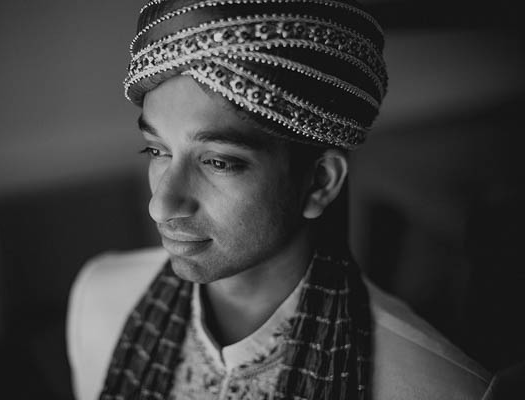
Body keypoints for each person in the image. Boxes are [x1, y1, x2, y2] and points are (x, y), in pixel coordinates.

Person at [66, 0, 491, 398]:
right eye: (156, 151)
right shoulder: (100, 300)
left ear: (320, 182)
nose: (161, 205)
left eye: (217, 162)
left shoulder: (437, 386)